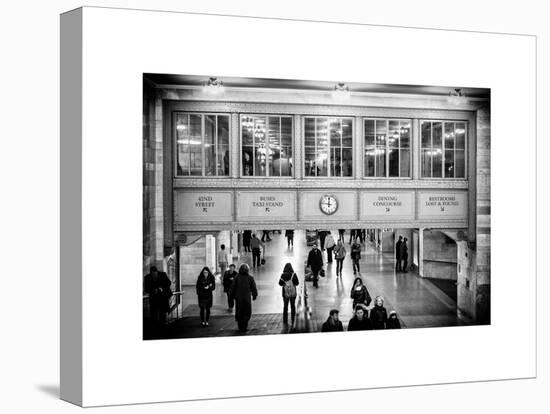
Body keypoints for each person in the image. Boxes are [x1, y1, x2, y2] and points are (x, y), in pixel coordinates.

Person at [229, 263, 258, 332]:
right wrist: (254, 295)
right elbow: (254, 288)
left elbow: (232, 287)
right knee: (247, 311)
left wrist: (231, 296)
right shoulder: (250, 278)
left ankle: (240, 326)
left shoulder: (236, 277)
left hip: (238, 298)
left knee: (239, 311)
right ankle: (244, 326)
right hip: (247, 298)